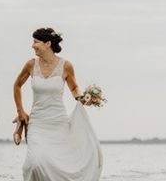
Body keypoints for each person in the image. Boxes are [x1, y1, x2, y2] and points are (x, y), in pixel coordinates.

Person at [13, 27, 103, 180]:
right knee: (35, 163)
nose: (32, 45)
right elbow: (17, 86)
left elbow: (74, 87)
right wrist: (21, 111)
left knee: (60, 165)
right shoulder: (30, 65)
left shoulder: (66, 65)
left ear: (47, 43)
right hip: (37, 123)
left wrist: (83, 98)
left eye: (36, 42)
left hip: (58, 123)